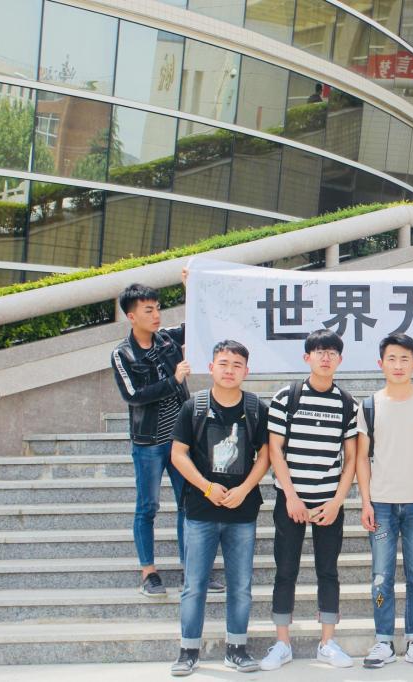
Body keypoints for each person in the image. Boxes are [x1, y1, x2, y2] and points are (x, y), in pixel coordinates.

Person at [169, 340, 270, 676]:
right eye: (223, 364)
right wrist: (207, 486)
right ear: (211, 367)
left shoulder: (256, 408)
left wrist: (244, 489)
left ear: (246, 371)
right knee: (194, 585)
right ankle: (188, 651)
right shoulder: (194, 406)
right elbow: (178, 454)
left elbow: (265, 456)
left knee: (240, 586)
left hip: (242, 511)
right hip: (201, 510)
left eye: (237, 365)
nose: (230, 370)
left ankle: (237, 649)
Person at [260, 329, 358, 671]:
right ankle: (282, 643)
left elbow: (351, 458)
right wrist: (291, 497)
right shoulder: (287, 397)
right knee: (285, 571)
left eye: (332, 352)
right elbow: (275, 450)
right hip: (290, 503)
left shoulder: (347, 403)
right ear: (307, 357)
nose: (325, 358)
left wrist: (336, 502)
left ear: (340, 359)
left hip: (328, 505)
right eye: (319, 352)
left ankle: (327, 642)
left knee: (328, 572)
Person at [111, 277, 214, 597]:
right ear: (131, 316)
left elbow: (197, 322)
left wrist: (190, 287)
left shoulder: (167, 339)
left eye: (157, 308)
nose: (156, 315)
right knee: (147, 506)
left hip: (181, 441)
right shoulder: (122, 354)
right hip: (149, 443)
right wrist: (174, 380)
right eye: (148, 310)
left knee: (189, 503)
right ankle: (149, 572)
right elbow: (133, 395)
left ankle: (192, 570)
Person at [355, 333, 413, 669]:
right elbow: (361, 457)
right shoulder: (369, 405)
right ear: (380, 364)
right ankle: (383, 641)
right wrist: (365, 501)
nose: (397, 365)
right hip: (380, 504)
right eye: (391, 359)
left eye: (404, 359)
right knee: (381, 577)